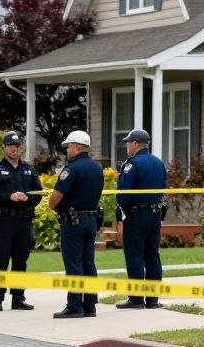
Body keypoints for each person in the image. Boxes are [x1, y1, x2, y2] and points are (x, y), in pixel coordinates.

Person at [0, 130, 42, 312]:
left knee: (20, 260)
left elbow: (38, 193)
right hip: (4, 220)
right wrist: (9, 197)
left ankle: (18, 298)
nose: (14, 149)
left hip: (23, 220)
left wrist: (27, 199)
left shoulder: (28, 169)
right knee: (0, 260)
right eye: (11, 146)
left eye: (17, 146)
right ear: (4, 148)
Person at [49, 130, 104, 319]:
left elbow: (56, 197)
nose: (67, 150)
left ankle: (74, 306)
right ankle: (90, 305)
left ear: (76, 146)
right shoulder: (97, 168)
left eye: (68, 146)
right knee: (89, 263)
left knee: (74, 264)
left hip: (73, 222)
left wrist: (53, 206)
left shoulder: (71, 169)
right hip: (91, 220)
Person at [113, 129, 168, 310]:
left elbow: (123, 195)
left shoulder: (132, 165)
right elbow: (164, 187)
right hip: (154, 214)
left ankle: (136, 299)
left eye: (129, 143)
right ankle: (152, 299)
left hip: (136, 215)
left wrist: (121, 209)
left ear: (136, 144)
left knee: (135, 255)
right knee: (152, 255)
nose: (127, 146)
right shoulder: (158, 163)